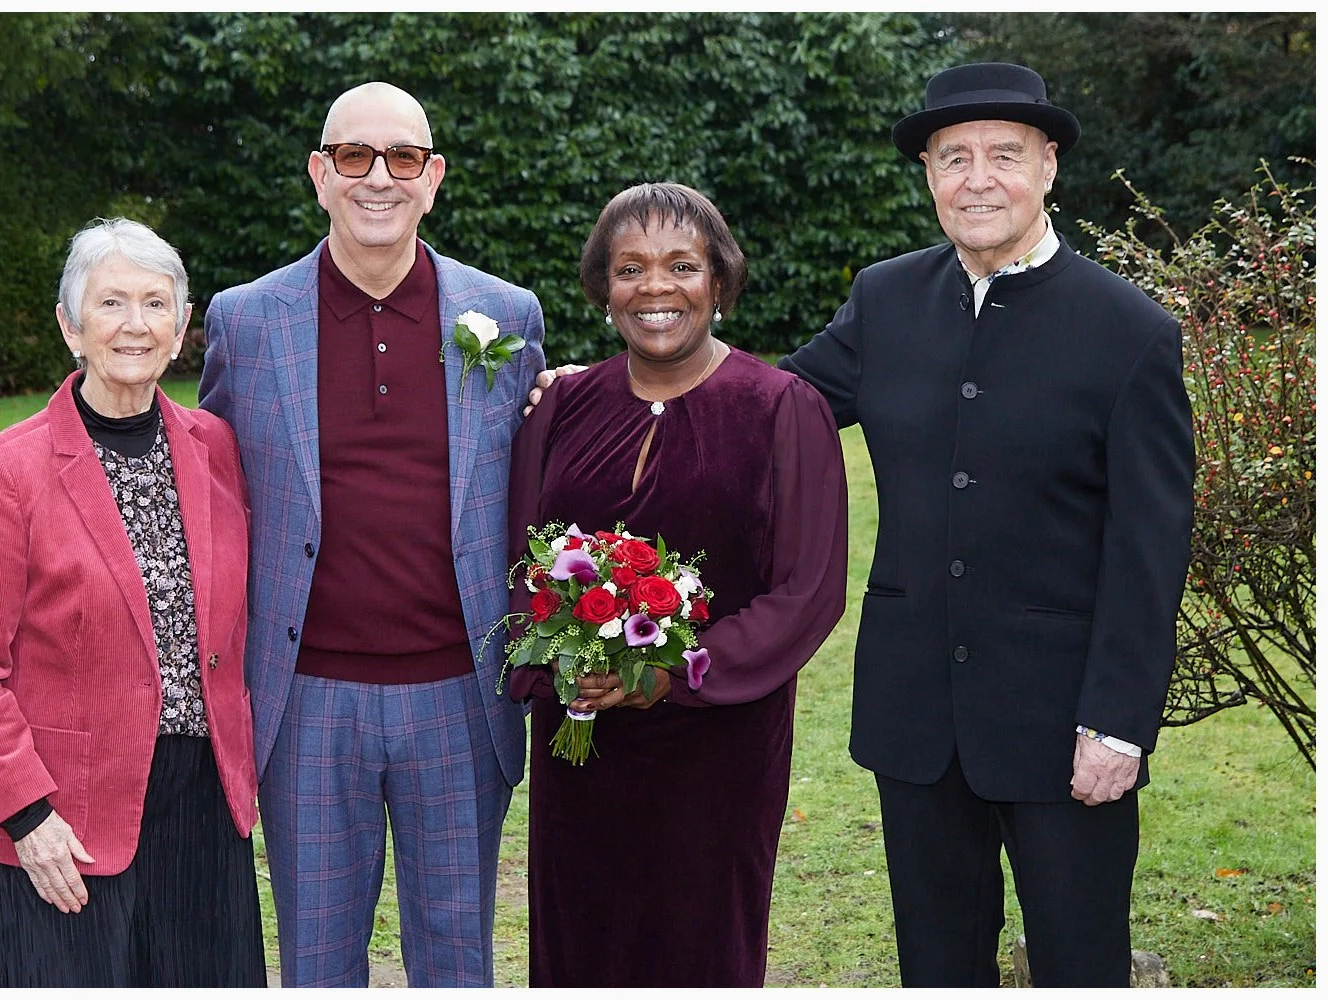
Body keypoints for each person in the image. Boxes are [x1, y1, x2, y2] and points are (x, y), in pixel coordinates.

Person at [777, 63, 1194, 986]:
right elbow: (771, 407)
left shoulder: (1131, 332)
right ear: (928, 172)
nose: (977, 178)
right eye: (953, 156)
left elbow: (1150, 544)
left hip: (1064, 727)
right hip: (914, 713)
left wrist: (1120, 723)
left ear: (1048, 166)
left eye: (1004, 154)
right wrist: (611, 393)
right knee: (936, 965)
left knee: (1079, 962)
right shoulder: (884, 300)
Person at [198, 81, 547, 988]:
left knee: (458, 959)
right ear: (320, 174)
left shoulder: (505, 316)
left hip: (460, 698)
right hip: (308, 697)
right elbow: (209, 489)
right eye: (355, 157)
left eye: (401, 159)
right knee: (316, 961)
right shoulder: (246, 320)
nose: (377, 178)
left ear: (433, 178)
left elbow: (545, 463)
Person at [506, 181, 849, 987]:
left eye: (681, 265)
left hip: (716, 752)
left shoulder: (780, 408)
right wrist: (565, 662)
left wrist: (668, 674)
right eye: (629, 269)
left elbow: (807, 591)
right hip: (581, 744)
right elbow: (521, 563)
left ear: (719, 283)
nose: (654, 287)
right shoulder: (561, 407)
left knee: (700, 947)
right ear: (603, 290)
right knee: (578, 939)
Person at [0, 217, 265, 988]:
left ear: (183, 327)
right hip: (65, 820)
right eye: (111, 302)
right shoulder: (5, 471)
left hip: (203, 808)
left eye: (156, 304)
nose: (135, 325)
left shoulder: (216, 446)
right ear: (70, 326)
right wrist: (26, 816)